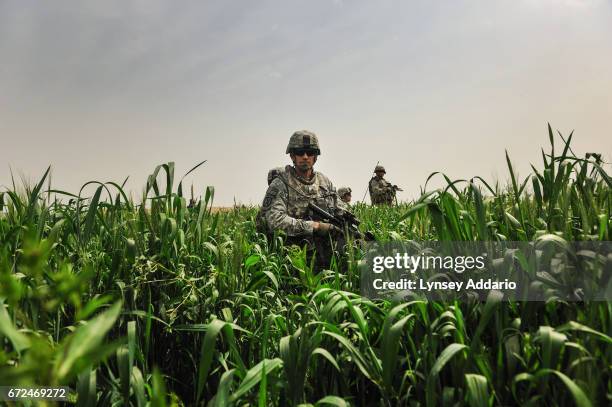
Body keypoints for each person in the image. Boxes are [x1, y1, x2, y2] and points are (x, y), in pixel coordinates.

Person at [259, 130, 344, 270]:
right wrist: (315, 226)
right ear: (292, 155)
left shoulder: (324, 181)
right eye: (300, 152)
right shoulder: (280, 183)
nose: (305, 157)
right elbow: (275, 221)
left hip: (325, 254)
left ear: (315, 157)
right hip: (292, 258)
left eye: (310, 153)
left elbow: (340, 208)